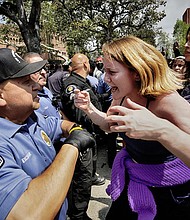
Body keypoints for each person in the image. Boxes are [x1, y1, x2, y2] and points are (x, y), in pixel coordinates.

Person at [74, 35, 190, 220]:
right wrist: (89, 109)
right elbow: (110, 125)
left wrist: (160, 130)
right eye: (105, 71)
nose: (105, 78)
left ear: (136, 72)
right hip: (135, 181)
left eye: (112, 72)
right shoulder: (120, 96)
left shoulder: (165, 100)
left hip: (171, 193)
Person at [0, 48, 95, 220]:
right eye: (26, 82)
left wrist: (74, 129)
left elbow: (60, 124)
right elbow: (29, 214)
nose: (37, 86)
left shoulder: (31, 118)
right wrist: (72, 146)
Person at [60, 53, 105, 220]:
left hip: (88, 136)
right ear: (86, 64)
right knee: (82, 180)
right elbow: (79, 115)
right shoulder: (73, 84)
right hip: (81, 138)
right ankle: (78, 215)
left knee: (86, 177)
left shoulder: (82, 82)